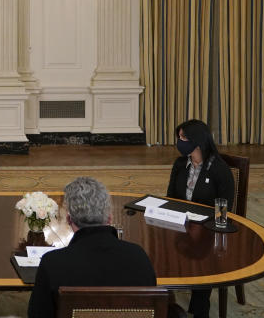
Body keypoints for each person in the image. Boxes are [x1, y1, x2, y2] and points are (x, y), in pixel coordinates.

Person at [27, 176, 157, 318]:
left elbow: (37, 314)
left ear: (69, 219)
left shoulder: (53, 263)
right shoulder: (139, 257)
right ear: (110, 218)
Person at [166, 119, 235, 318]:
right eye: (178, 137)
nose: (179, 142)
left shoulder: (219, 170)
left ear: (197, 140)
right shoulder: (180, 164)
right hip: (180, 226)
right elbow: (170, 197)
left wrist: (200, 227)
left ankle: (199, 309)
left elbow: (224, 210)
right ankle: (166, 302)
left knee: (203, 254)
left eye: (183, 138)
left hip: (209, 230)